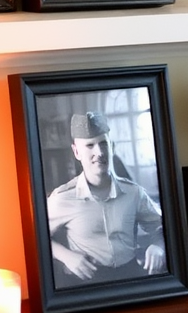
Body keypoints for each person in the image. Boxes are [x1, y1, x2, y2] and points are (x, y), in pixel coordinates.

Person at [47, 111, 165, 288]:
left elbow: (163, 226)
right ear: (76, 151)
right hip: (86, 283)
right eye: (90, 145)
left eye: (104, 143)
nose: (99, 152)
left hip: (130, 276)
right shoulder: (62, 198)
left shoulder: (134, 193)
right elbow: (36, 238)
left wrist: (159, 245)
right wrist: (66, 256)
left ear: (113, 147)